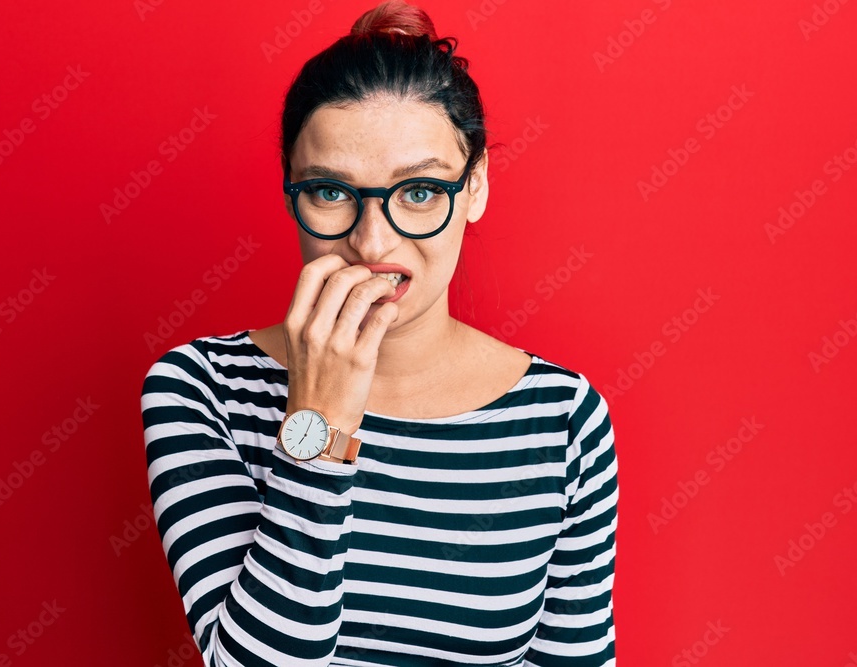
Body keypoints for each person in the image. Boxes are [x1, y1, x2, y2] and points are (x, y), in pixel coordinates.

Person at [141, 2, 618, 665]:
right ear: (290, 194)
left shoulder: (562, 418)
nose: (372, 241)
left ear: (474, 185)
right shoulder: (202, 389)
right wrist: (320, 417)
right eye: (332, 192)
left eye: (419, 191)